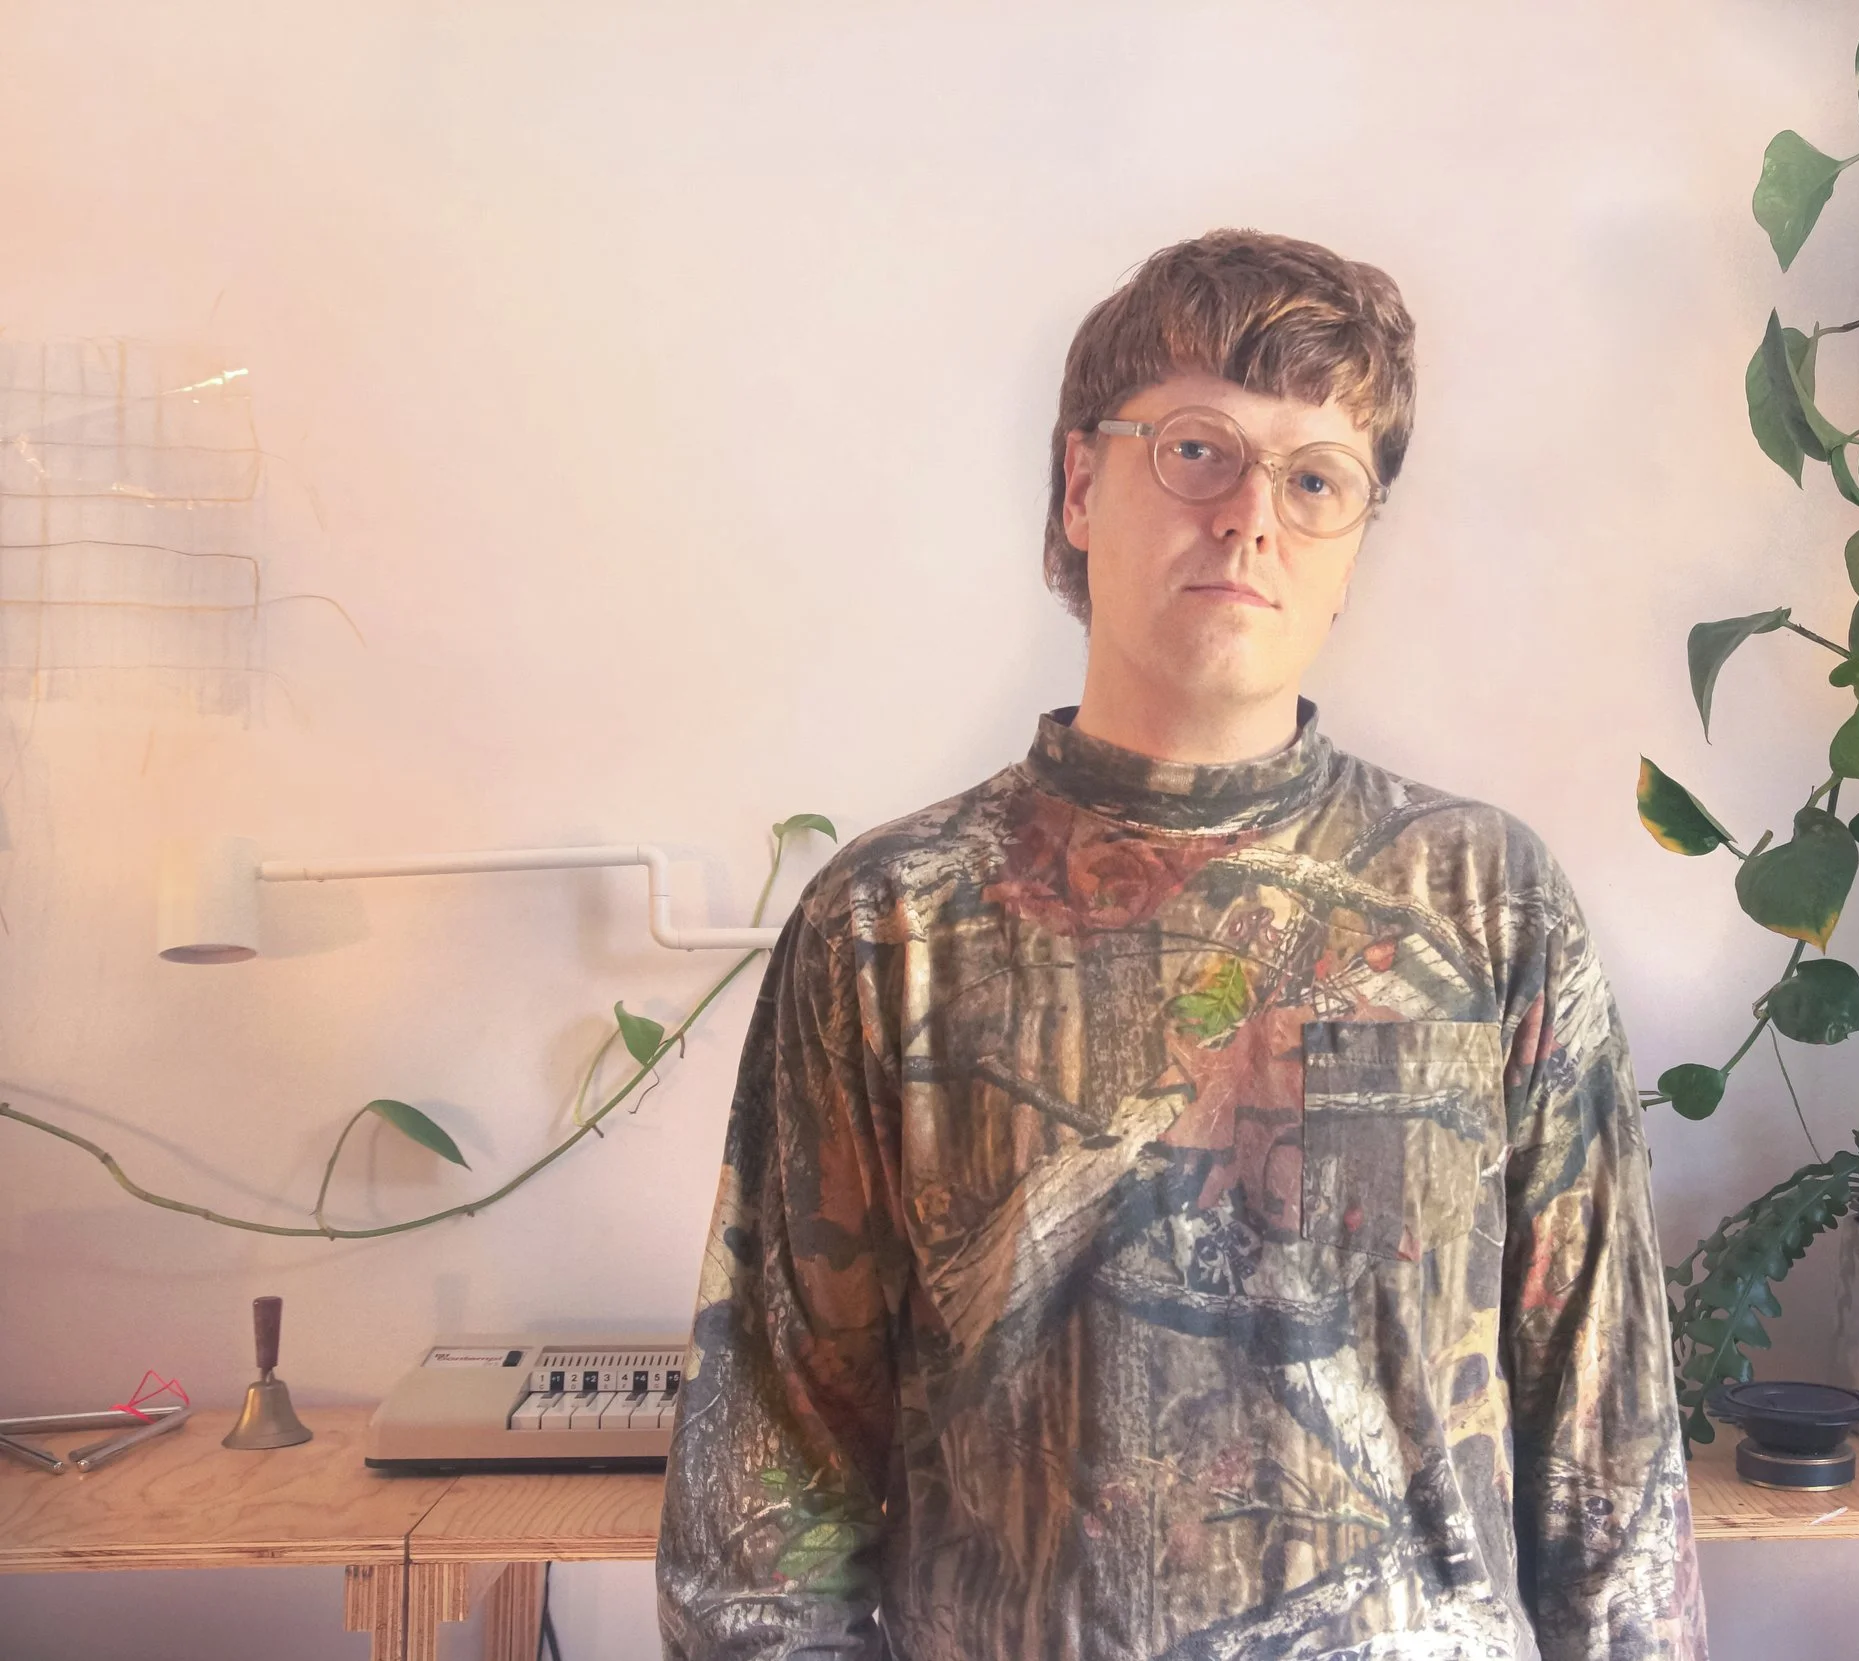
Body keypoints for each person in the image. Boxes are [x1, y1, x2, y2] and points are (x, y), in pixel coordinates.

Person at [656, 228, 1707, 1660]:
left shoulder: (1485, 904)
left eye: (1316, 478)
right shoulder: (892, 924)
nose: (1253, 517)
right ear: (1081, 486)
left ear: (1352, 544)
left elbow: (1614, 1472)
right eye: (1198, 451)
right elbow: (768, 1508)